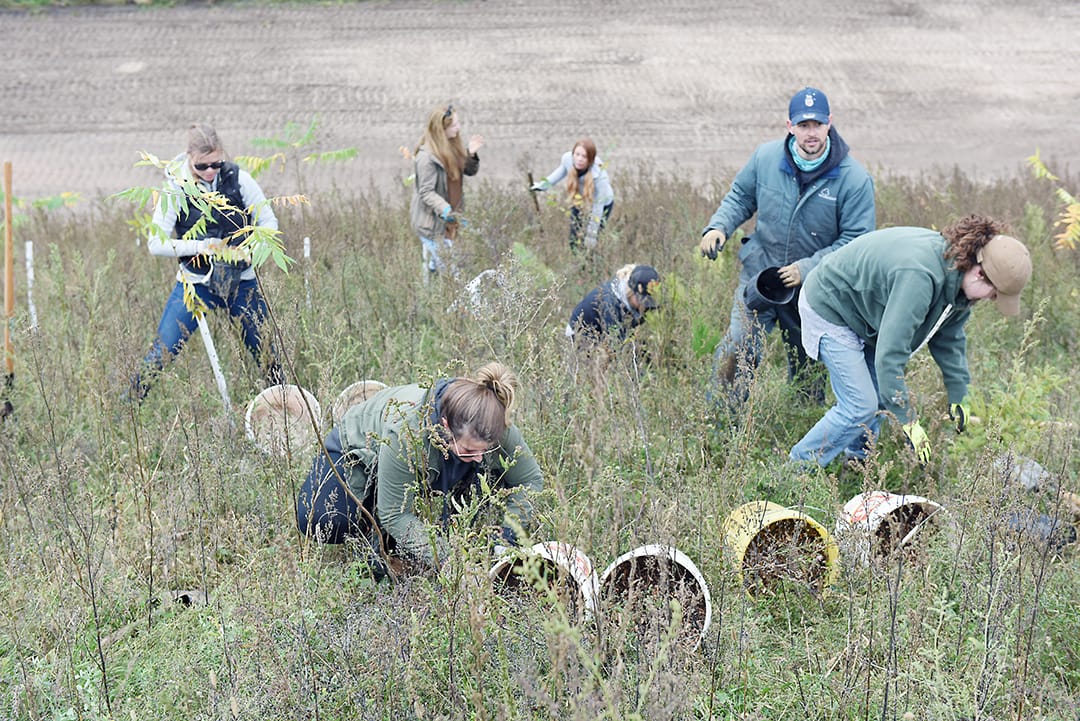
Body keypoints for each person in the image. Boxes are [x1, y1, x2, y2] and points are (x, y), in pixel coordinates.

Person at [789, 215, 1032, 467]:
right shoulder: (919, 277)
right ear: (980, 273)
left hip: (866, 313)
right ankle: (797, 469)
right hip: (830, 303)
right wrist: (909, 422)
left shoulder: (958, 279)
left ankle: (857, 464)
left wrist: (960, 394)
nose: (991, 300)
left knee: (880, 396)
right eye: (993, 294)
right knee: (860, 405)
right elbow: (890, 357)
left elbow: (950, 339)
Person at [698, 87, 876, 415]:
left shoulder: (853, 180)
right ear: (790, 125)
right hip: (761, 276)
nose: (811, 132)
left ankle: (803, 422)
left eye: (818, 124)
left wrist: (808, 268)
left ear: (830, 123)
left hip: (813, 290)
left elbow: (856, 241)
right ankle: (720, 422)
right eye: (803, 125)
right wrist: (718, 226)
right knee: (738, 346)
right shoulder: (766, 158)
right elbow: (740, 196)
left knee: (808, 363)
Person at [296, 362, 543, 573]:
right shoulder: (405, 434)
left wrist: (508, 535)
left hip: (435, 452)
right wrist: (453, 562)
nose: (480, 458)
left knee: (493, 470)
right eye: (470, 450)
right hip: (361, 446)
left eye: (485, 449)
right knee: (321, 519)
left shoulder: (494, 422)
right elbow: (394, 514)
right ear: (445, 426)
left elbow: (530, 480)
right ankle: (373, 530)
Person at [129, 123, 283, 401]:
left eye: (216, 164)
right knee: (163, 350)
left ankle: (286, 408)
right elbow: (156, 244)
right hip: (195, 284)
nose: (211, 171)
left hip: (242, 283)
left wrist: (253, 245)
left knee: (267, 352)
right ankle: (126, 412)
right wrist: (203, 247)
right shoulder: (174, 189)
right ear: (189, 158)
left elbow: (269, 221)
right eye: (202, 166)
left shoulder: (239, 179)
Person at [409, 103, 483, 280]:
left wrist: (471, 154)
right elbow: (426, 192)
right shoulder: (426, 157)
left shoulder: (452, 147)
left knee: (438, 266)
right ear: (442, 129)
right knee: (451, 272)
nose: (459, 128)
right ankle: (443, 302)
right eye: (454, 125)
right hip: (432, 224)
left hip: (449, 222)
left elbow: (468, 171)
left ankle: (432, 282)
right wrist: (446, 210)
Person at [531, 138, 615, 252]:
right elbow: (559, 173)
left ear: (590, 159)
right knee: (574, 238)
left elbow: (598, 209)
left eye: (584, 156)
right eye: (577, 154)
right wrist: (542, 185)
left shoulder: (600, 177)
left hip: (602, 204)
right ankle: (578, 261)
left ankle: (592, 262)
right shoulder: (568, 160)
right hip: (580, 200)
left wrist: (591, 236)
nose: (579, 159)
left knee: (593, 243)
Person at [566, 264, 660, 344]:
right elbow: (616, 344)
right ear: (631, 292)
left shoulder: (631, 296)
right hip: (580, 335)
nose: (644, 305)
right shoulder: (611, 305)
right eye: (641, 300)